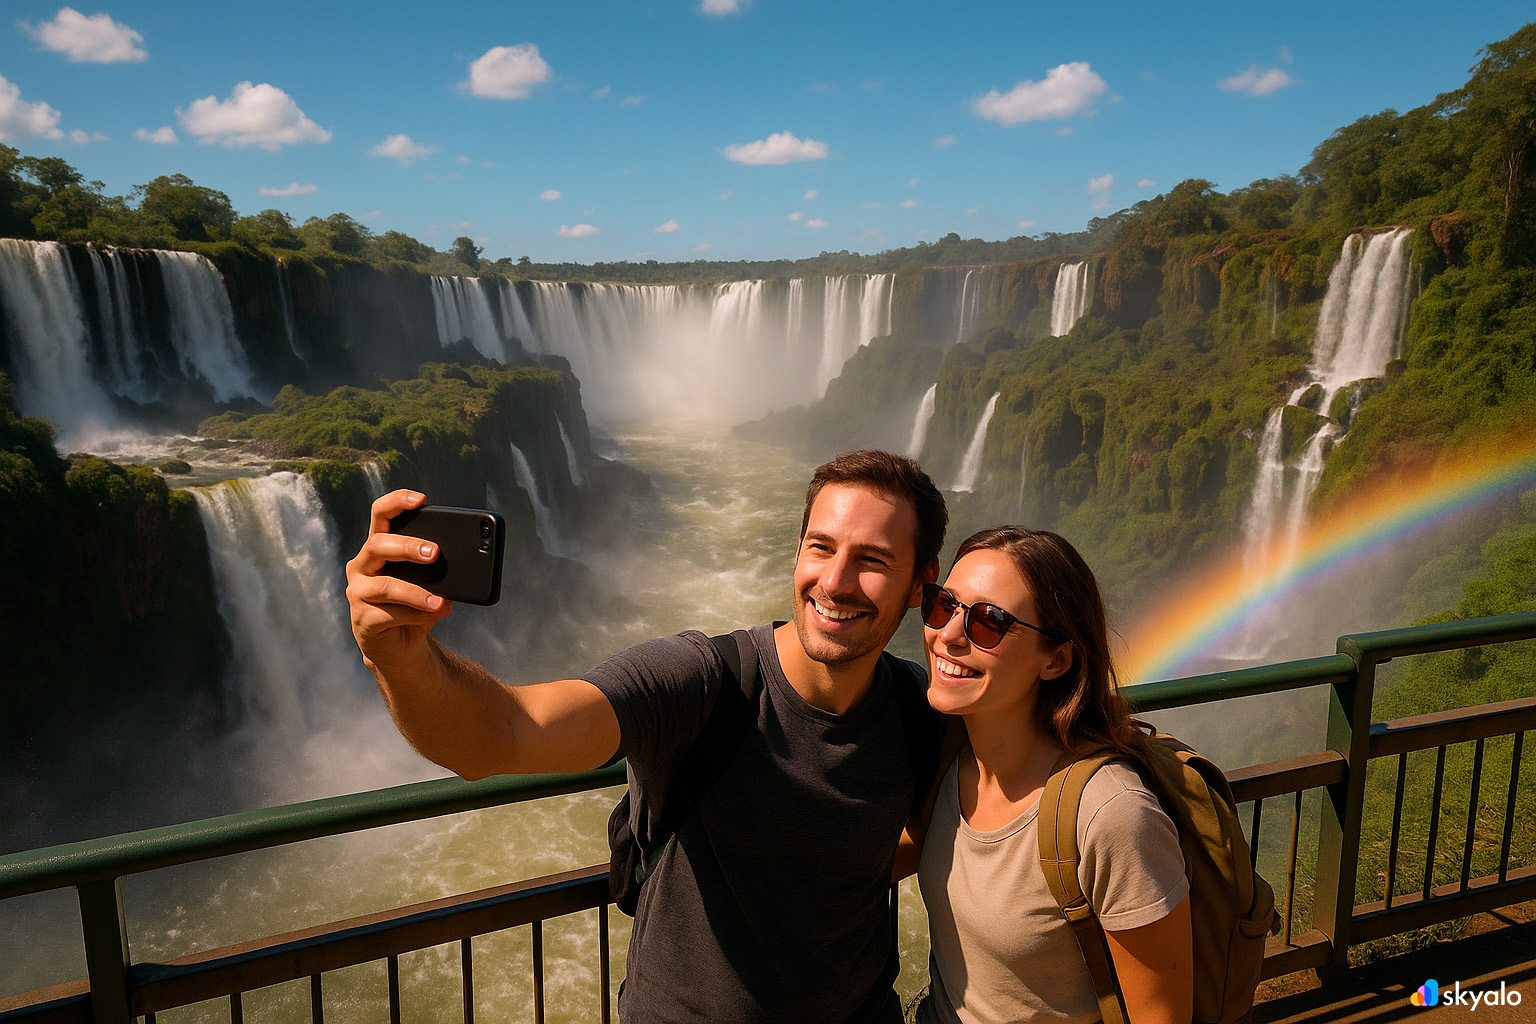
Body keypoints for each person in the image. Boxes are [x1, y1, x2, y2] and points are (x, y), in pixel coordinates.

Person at [346, 449, 948, 1024]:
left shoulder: (918, 710)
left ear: (922, 586)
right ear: (798, 551)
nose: (836, 581)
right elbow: (502, 734)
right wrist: (402, 661)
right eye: (821, 547)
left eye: (872, 560)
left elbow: (925, 832)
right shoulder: (701, 685)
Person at [913, 526, 1193, 1024]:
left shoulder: (1111, 817)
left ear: (1057, 659)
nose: (948, 635)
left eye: (989, 622)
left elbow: (1162, 1016)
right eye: (942, 603)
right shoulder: (945, 755)